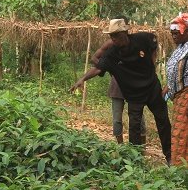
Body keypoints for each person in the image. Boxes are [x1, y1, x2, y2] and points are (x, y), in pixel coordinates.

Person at [71, 18, 171, 164]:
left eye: (117, 35)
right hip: (133, 94)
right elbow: (98, 68)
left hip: (152, 88)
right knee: (134, 127)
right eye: (111, 36)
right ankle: (135, 160)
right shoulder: (112, 54)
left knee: (163, 121)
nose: (114, 39)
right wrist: (82, 79)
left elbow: (154, 41)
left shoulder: (142, 39)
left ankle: (170, 156)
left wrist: (152, 61)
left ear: (125, 32)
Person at [91, 31, 147, 145]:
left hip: (133, 86)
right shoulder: (110, 44)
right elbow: (95, 58)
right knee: (117, 119)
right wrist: (111, 68)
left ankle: (141, 148)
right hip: (117, 86)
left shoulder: (136, 44)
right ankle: (121, 147)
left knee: (139, 117)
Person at [163, 13, 188, 166]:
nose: (174, 36)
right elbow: (175, 70)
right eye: (172, 34)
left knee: (181, 132)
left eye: (176, 33)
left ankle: (179, 167)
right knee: (181, 131)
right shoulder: (180, 48)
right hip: (179, 95)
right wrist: (168, 86)